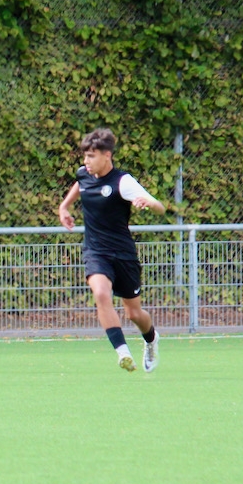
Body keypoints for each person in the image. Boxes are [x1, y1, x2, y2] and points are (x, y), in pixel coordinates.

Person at [58, 127, 165, 372]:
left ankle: (151, 339)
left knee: (134, 314)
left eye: (91, 156)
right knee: (100, 293)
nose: (86, 161)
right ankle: (122, 352)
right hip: (96, 251)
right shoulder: (84, 174)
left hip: (123, 254)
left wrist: (148, 202)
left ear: (107, 156)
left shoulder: (122, 182)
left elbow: (160, 207)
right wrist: (64, 208)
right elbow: (79, 185)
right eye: (85, 156)